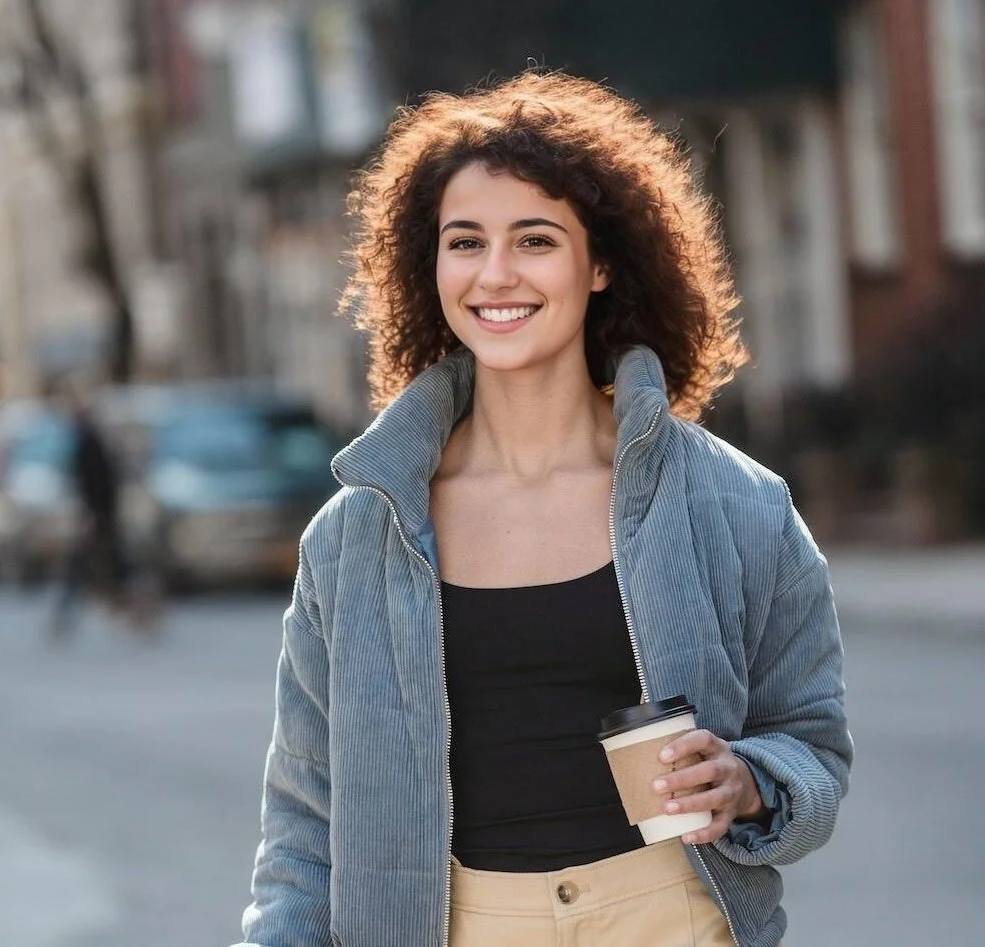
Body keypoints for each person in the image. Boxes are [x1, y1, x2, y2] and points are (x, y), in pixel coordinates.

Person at [233, 71, 851, 947]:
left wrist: (746, 780)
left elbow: (812, 743)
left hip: (667, 920)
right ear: (430, 266)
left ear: (599, 263)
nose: (495, 274)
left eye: (534, 239)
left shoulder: (733, 503)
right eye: (464, 242)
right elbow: (303, 827)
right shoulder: (358, 533)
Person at [51, 390, 160, 641]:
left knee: (89, 567)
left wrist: (95, 515)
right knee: (103, 566)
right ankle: (137, 604)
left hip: (98, 517)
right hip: (101, 516)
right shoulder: (91, 440)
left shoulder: (89, 443)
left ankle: (137, 602)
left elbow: (98, 484)